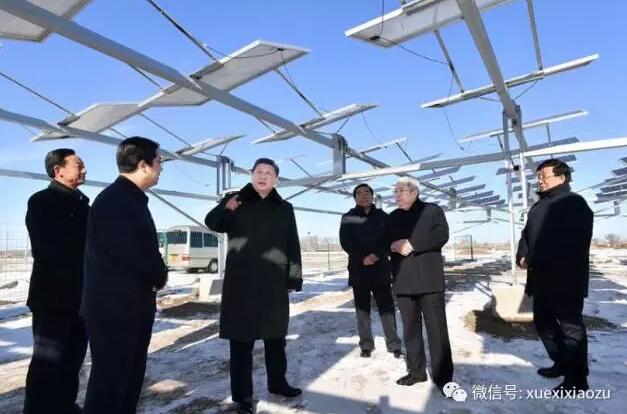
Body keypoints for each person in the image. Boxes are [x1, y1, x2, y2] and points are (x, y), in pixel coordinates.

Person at [205, 158, 303, 414]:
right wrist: (226, 208)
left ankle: (278, 383)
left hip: (273, 281)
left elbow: (292, 242)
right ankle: (242, 397)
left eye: (269, 173)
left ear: (276, 179)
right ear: (251, 174)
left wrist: (294, 276)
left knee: (275, 337)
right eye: (259, 171)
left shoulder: (284, 208)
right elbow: (213, 223)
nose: (263, 176)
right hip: (241, 282)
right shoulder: (236, 200)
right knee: (241, 341)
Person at [81, 136, 168, 414]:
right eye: (159, 161)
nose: (161, 167)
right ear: (143, 165)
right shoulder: (117, 201)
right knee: (110, 384)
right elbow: (135, 253)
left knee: (127, 381)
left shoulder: (128, 199)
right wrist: (159, 275)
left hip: (128, 306)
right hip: (115, 310)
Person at [516, 158, 593, 392]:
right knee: (544, 325)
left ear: (562, 177)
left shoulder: (574, 203)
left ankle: (577, 379)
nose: (539, 180)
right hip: (541, 278)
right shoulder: (538, 206)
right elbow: (526, 235)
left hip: (566, 278)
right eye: (538, 177)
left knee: (571, 329)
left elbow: (571, 241)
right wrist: (522, 254)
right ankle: (562, 363)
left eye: (544, 176)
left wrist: (535, 257)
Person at [23, 149, 89, 414]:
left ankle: (65, 407)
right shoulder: (42, 202)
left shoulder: (83, 204)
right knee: (46, 365)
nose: (84, 169)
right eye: (78, 165)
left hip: (80, 299)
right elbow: (49, 249)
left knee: (72, 362)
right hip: (52, 300)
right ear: (58, 170)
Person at [385, 177, 453, 390]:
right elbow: (383, 242)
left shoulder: (432, 211)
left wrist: (412, 244)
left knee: (437, 331)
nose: (397, 195)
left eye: (401, 191)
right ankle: (416, 373)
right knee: (410, 331)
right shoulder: (392, 217)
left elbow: (441, 235)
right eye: (395, 192)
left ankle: (443, 378)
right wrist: (393, 246)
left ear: (415, 192)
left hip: (429, 281)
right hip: (403, 282)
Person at [339, 183, 402, 359]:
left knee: (387, 309)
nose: (363, 195)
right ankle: (366, 345)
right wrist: (362, 257)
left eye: (367, 192)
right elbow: (346, 241)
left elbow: (388, 240)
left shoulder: (383, 216)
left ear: (372, 196)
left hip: (380, 268)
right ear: (355, 198)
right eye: (359, 193)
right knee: (362, 310)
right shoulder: (348, 217)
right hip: (359, 269)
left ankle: (394, 344)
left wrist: (375, 255)